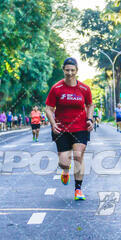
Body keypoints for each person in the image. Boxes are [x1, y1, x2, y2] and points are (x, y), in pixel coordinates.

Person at [45, 57, 94, 201]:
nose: (70, 73)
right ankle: (65, 170)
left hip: (80, 128)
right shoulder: (57, 88)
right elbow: (48, 108)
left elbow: (90, 105)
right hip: (62, 129)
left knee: (78, 156)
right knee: (64, 162)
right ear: (63, 70)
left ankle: (78, 189)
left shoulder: (84, 89)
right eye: (67, 70)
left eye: (72, 70)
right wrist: (53, 123)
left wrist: (90, 119)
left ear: (77, 71)